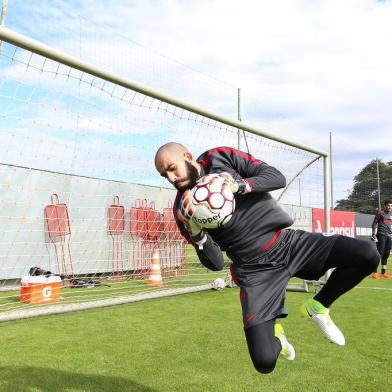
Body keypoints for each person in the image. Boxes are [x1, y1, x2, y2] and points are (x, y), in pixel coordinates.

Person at [155, 142, 379, 374]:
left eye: (172, 168)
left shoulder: (219, 157)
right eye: (164, 175)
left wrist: (238, 186)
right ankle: (279, 339)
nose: (171, 178)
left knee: (367, 255)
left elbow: (276, 177)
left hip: (289, 244)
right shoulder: (183, 209)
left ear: (187, 156)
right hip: (254, 272)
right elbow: (216, 264)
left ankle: (319, 306)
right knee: (264, 362)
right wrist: (196, 234)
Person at [371, 200, 392, 279]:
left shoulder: (391, 214)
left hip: (389, 236)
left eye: (391, 206)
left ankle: (383, 273)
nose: (390, 207)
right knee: (379, 254)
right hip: (381, 235)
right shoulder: (380, 213)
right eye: (389, 206)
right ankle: (375, 272)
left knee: (386, 255)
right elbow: (374, 223)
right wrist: (373, 233)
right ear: (385, 206)